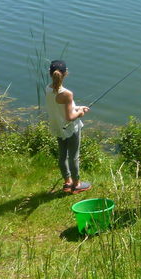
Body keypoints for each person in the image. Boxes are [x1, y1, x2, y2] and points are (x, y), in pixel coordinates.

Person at [45, 60, 91, 193]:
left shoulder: (48, 89)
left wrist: (78, 107)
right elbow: (69, 117)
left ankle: (67, 182)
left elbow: (60, 108)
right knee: (73, 156)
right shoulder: (67, 94)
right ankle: (76, 185)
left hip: (57, 127)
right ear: (65, 73)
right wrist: (81, 112)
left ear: (50, 73)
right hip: (70, 129)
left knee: (62, 155)